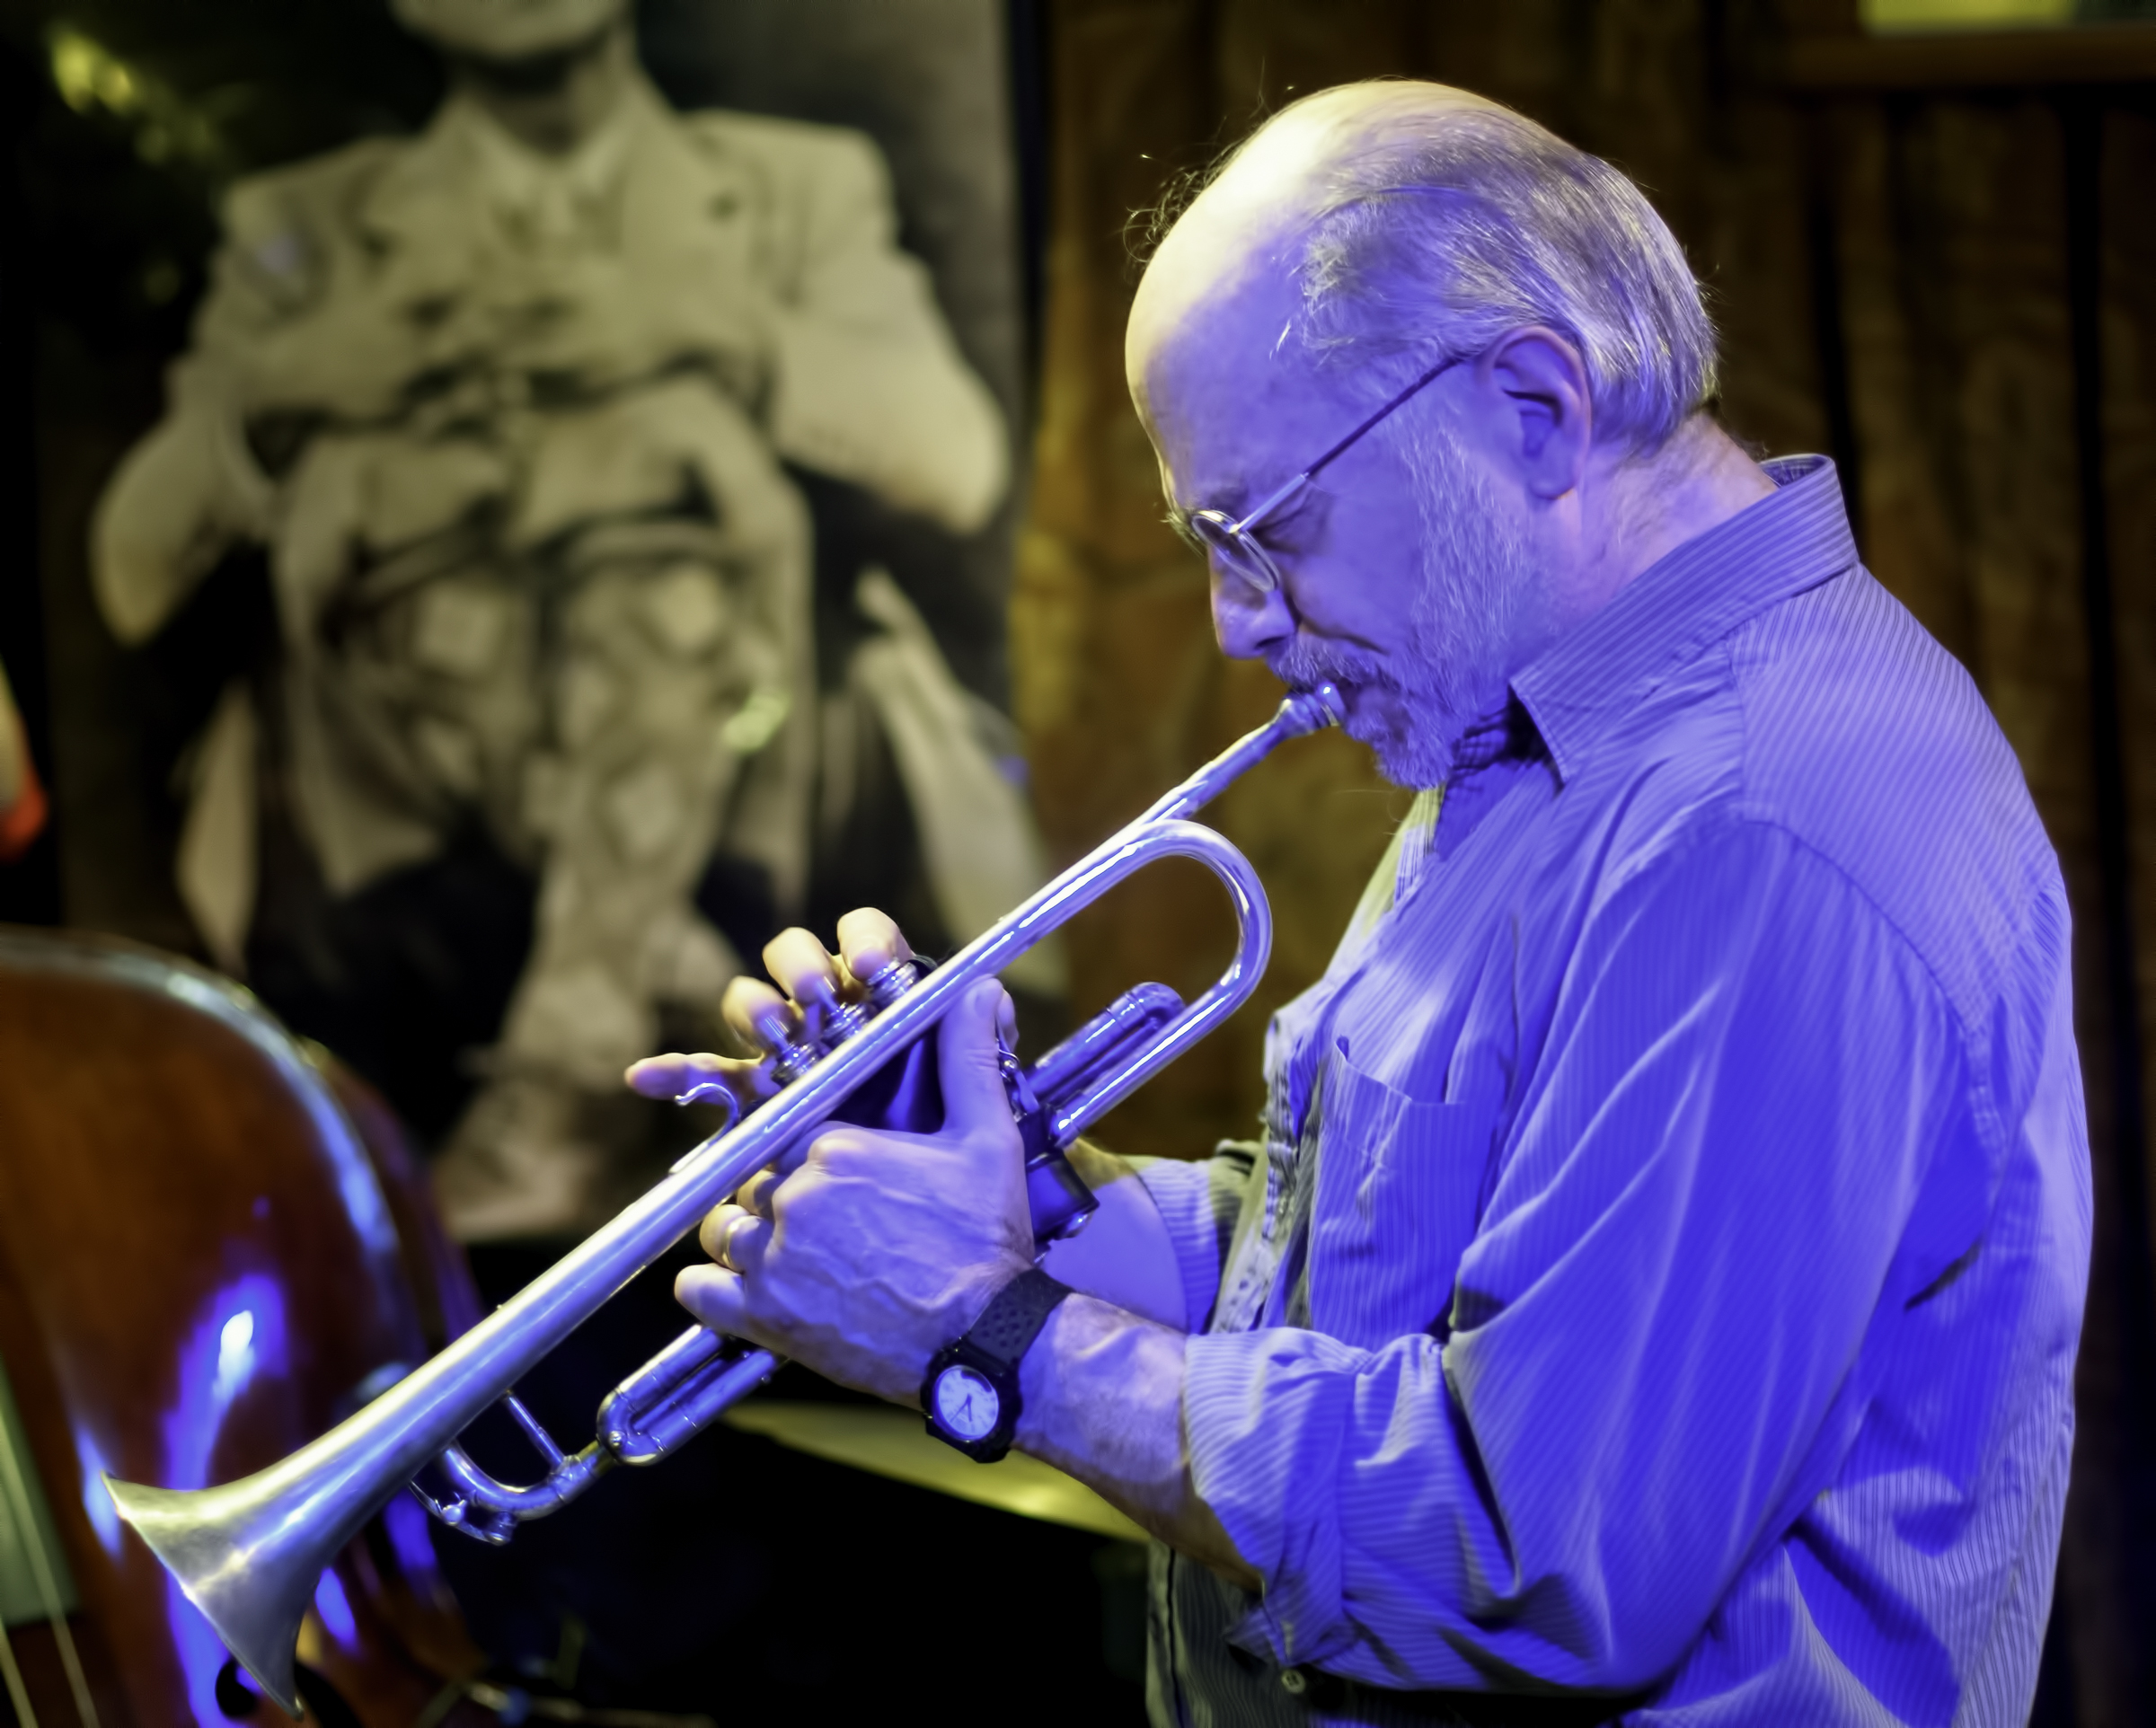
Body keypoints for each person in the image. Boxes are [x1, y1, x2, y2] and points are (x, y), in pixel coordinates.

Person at [629, 82, 2090, 1724]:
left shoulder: (1754, 821)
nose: (1237, 623)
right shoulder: (1524, 722)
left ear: (1535, 408)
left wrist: (990, 1335)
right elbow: (1345, 1264)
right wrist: (1011, 1191)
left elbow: (1536, 1558)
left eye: (1265, 532)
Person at [90, 0, 1036, 1240]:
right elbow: (129, 573)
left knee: (663, 561)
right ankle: (647, 960)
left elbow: (959, 465)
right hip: (392, 768)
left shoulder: (790, 189)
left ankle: (571, 1059)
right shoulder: (309, 229)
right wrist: (296, 385)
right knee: (421, 541)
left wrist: (725, 337)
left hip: (755, 735)